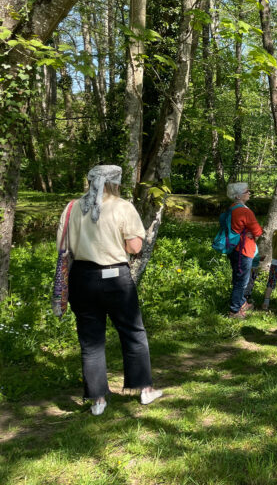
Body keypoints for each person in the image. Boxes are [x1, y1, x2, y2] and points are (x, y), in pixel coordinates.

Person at [58, 165, 162, 415]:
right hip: (115, 277)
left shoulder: (72, 207)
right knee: (133, 331)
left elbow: (63, 245)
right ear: (115, 182)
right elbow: (135, 247)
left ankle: (97, 400)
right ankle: (144, 390)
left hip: (81, 277)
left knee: (91, 339)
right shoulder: (122, 206)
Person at [224, 183, 263, 319]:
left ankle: (241, 303)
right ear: (238, 195)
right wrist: (252, 233)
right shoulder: (245, 211)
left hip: (233, 248)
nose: (249, 193)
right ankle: (234, 311)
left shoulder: (232, 208)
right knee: (242, 281)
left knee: (237, 277)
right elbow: (258, 231)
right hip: (244, 250)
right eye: (247, 191)